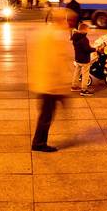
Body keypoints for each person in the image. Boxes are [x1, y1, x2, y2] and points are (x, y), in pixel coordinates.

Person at [30, 9, 75, 152]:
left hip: (46, 82)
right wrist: (61, 86)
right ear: (63, 20)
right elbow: (56, 62)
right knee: (46, 116)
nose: (69, 24)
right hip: (50, 85)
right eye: (68, 21)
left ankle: (39, 142)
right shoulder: (55, 36)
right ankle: (38, 144)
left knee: (46, 114)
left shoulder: (47, 33)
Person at [70, 22, 95, 96]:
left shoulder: (75, 36)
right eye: (87, 29)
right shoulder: (84, 39)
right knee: (85, 74)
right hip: (84, 60)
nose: (88, 31)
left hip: (77, 58)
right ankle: (84, 90)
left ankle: (74, 86)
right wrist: (95, 49)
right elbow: (87, 49)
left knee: (77, 72)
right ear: (84, 30)